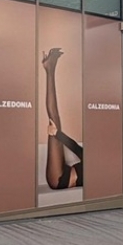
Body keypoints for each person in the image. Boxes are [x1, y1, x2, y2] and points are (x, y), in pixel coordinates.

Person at [42, 48, 83, 190]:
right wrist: (57, 134)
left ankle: (50, 69)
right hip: (64, 171)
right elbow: (76, 148)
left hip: (59, 179)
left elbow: (77, 149)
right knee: (55, 120)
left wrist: (57, 134)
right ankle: (50, 68)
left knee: (54, 119)